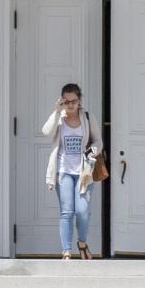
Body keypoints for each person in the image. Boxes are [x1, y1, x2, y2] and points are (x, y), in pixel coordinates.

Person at [41, 83, 104, 260]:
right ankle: (66, 250)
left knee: (82, 210)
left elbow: (98, 141)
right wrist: (55, 112)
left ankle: (82, 243)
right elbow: (46, 132)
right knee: (67, 211)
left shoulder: (87, 117)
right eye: (66, 101)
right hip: (63, 171)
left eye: (73, 101)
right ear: (62, 101)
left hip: (84, 172)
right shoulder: (59, 118)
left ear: (79, 101)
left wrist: (92, 152)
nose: (70, 105)